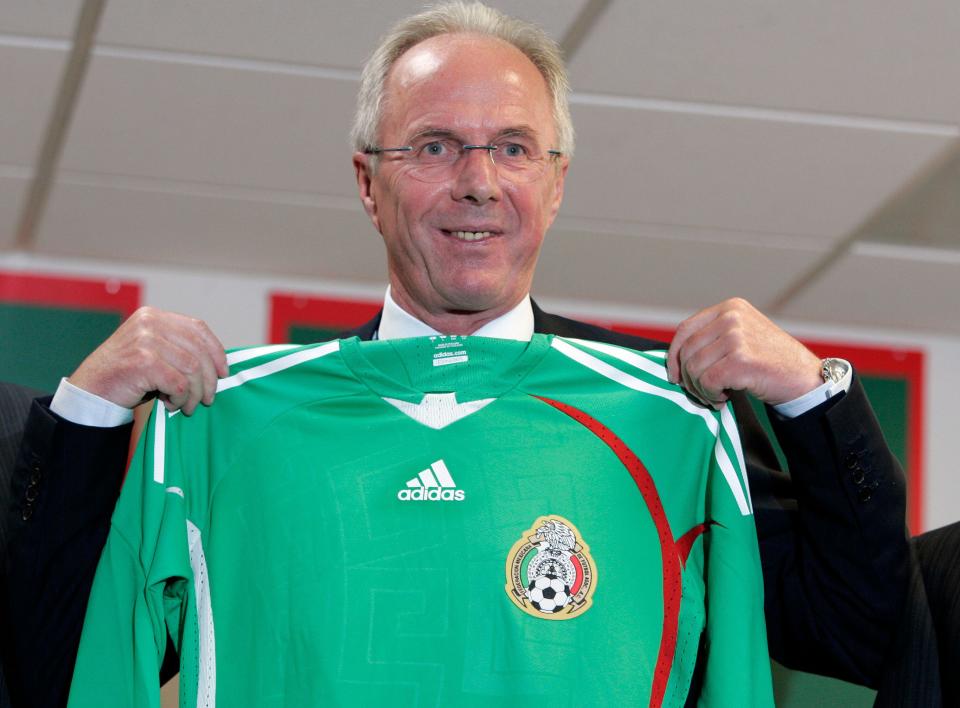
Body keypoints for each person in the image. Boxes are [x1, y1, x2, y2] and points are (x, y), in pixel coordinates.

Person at [5, 2, 908, 706]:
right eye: (434, 145)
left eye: (513, 148)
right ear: (369, 182)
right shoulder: (226, 424)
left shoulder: (667, 416)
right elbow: (60, 667)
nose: (477, 180)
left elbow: (863, 628)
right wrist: (87, 414)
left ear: (555, 184)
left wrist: (811, 393)